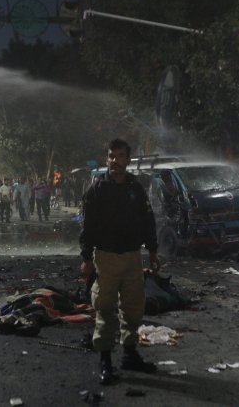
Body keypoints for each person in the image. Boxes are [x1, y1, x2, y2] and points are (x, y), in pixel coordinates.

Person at [79, 138, 161, 386]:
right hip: (106, 258)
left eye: (121, 156)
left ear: (128, 159)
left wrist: (154, 251)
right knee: (104, 307)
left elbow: (148, 221)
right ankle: (105, 359)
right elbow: (88, 228)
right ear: (107, 159)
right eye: (112, 156)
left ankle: (130, 353)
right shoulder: (96, 191)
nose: (115, 161)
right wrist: (86, 259)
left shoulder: (135, 189)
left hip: (132, 257)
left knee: (134, 308)